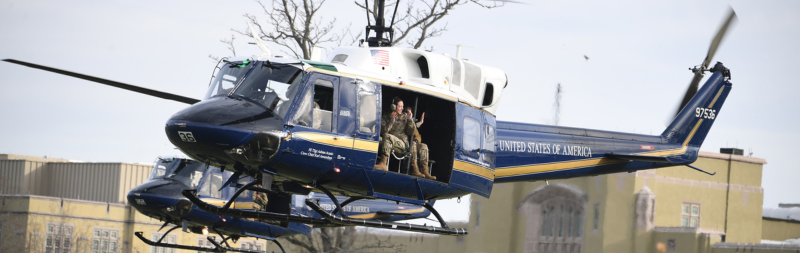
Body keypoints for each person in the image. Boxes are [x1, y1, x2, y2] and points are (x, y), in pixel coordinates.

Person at [375, 97, 435, 180]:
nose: (402, 108)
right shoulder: (386, 117)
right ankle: (383, 163)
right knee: (386, 136)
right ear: (393, 107)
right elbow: (383, 132)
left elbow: (411, 132)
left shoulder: (405, 117)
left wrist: (410, 119)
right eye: (400, 106)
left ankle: (424, 171)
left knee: (424, 146)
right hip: (389, 141)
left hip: (402, 144)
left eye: (402, 106)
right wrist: (392, 120)